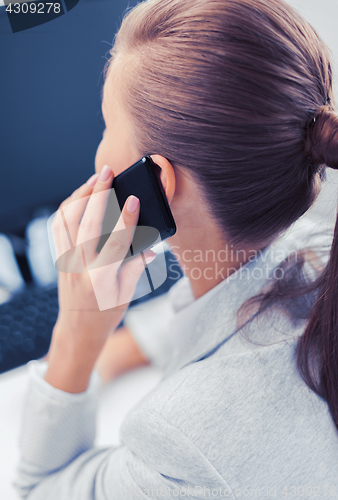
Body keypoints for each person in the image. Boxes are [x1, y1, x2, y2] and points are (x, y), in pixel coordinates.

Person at [13, 0, 338, 498]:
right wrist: (121, 348)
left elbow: (36, 488)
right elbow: (231, 310)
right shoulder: (313, 250)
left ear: (157, 182)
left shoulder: (186, 440)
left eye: (106, 125)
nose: (99, 148)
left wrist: (78, 330)